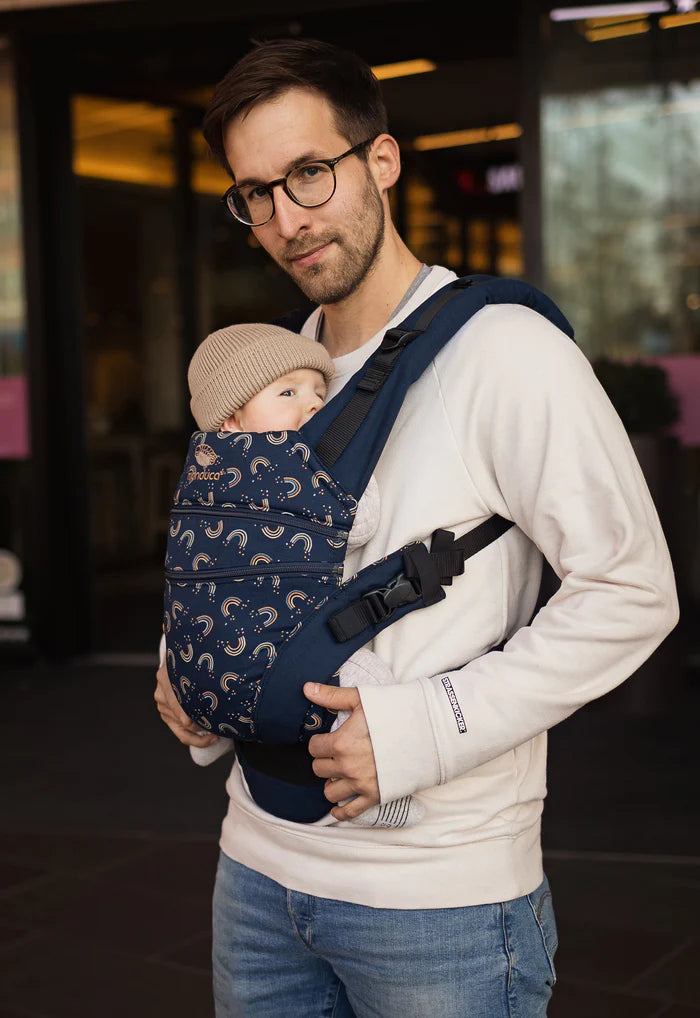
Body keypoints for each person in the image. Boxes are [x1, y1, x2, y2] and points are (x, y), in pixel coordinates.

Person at [153, 37, 679, 1017]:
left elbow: (632, 591)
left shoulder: (505, 353)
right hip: (255, 869)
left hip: (438, 897)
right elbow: (230, 556)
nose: (285, 218)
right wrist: (192, 667)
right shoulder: (272, 373)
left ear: (381, 160)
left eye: (309, 173)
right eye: (255, 193)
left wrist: (424, 729)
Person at [163, 320, 423, 829]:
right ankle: (388, 802)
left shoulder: (196, 472)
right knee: (371, 687)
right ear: (232, 417)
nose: (313, 406)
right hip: (282, 655)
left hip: (203, 663)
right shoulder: (294, 466)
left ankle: (211, 736)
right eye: (288, 392)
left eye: (320, 393)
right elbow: (359, 522)